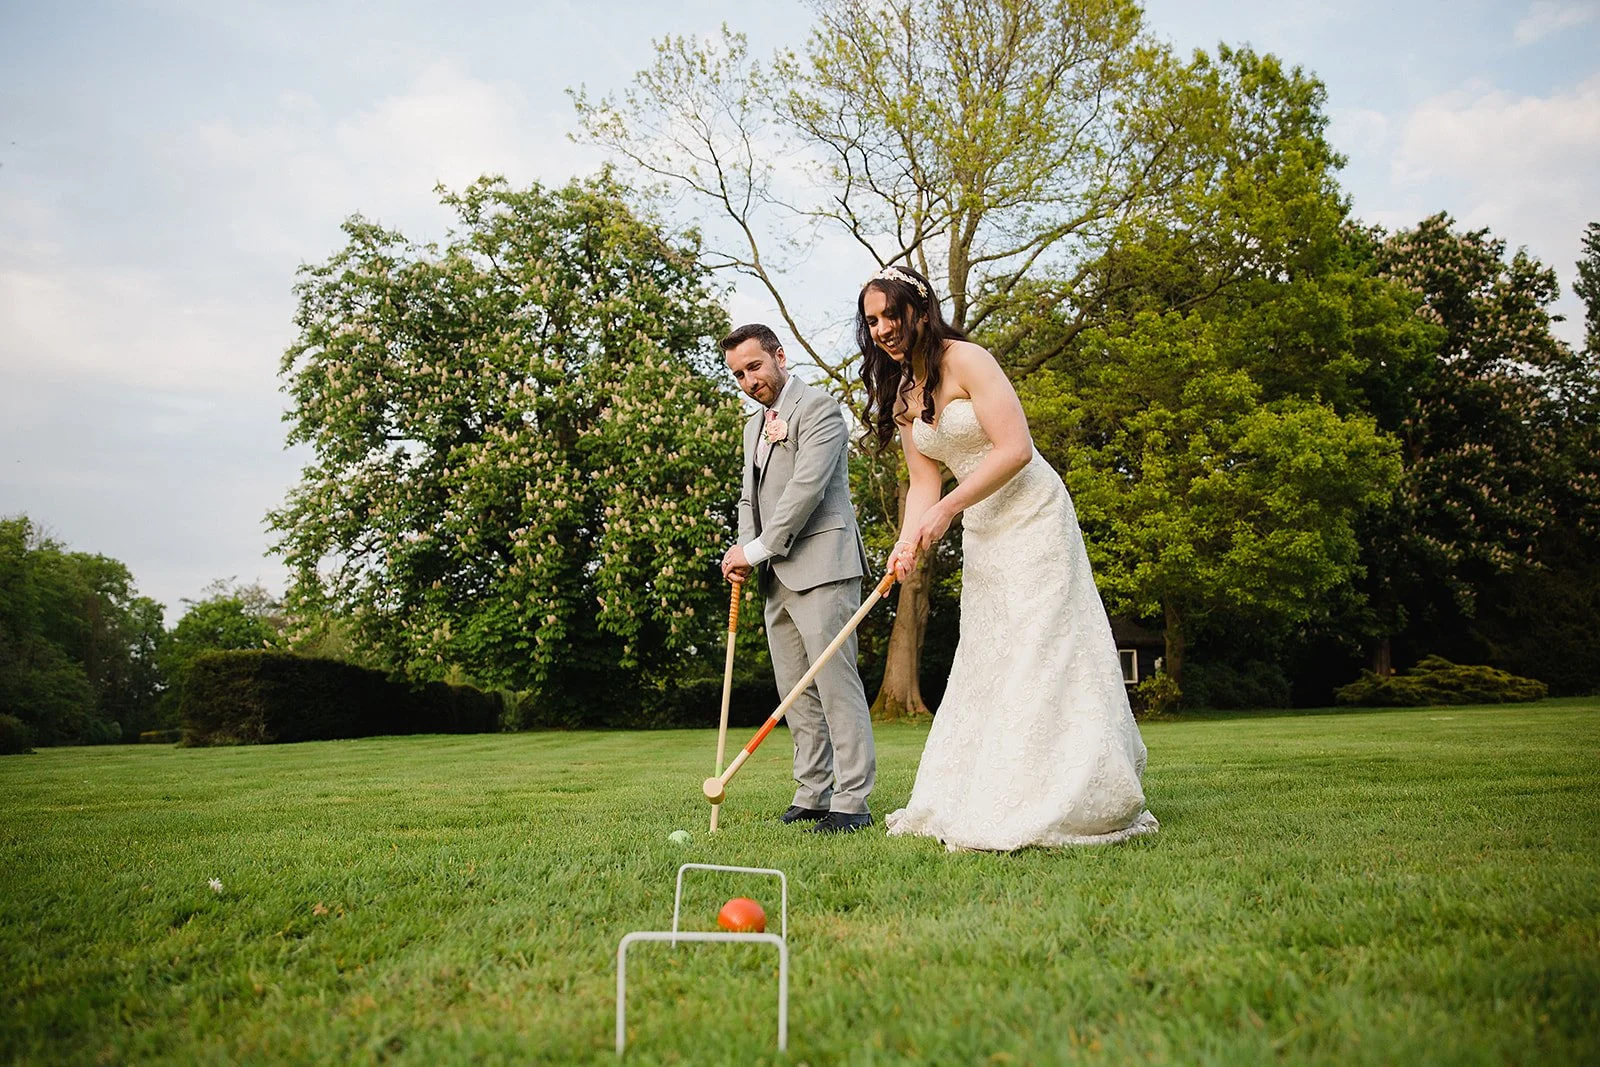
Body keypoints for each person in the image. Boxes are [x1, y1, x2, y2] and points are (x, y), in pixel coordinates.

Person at [856, 265, 1158, 850]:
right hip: (985, 526)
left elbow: (1015, 448)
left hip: (1033, 514)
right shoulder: (903, 395)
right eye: (872, 321)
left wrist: (946, 512)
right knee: (993, 650)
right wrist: (908, 537)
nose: (884, 329)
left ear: (920, 311)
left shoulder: (968, 360)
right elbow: (924, 484)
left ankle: (1066, 787)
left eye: (892, 314)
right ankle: (997, 782)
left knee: (1041, 642)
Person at [720, 323, 877, 834]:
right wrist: (745, 552)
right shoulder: (750, 428)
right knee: (795, 692)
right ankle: (813, 792)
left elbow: (806, 489)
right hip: (775, 578)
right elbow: (750, 500)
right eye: (738, 374)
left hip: (825, 566)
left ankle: (852, 800)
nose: (748, 380)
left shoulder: (820, 410)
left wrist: (760, 548)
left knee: (835, 685)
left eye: (754, 367)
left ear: (779, 356)